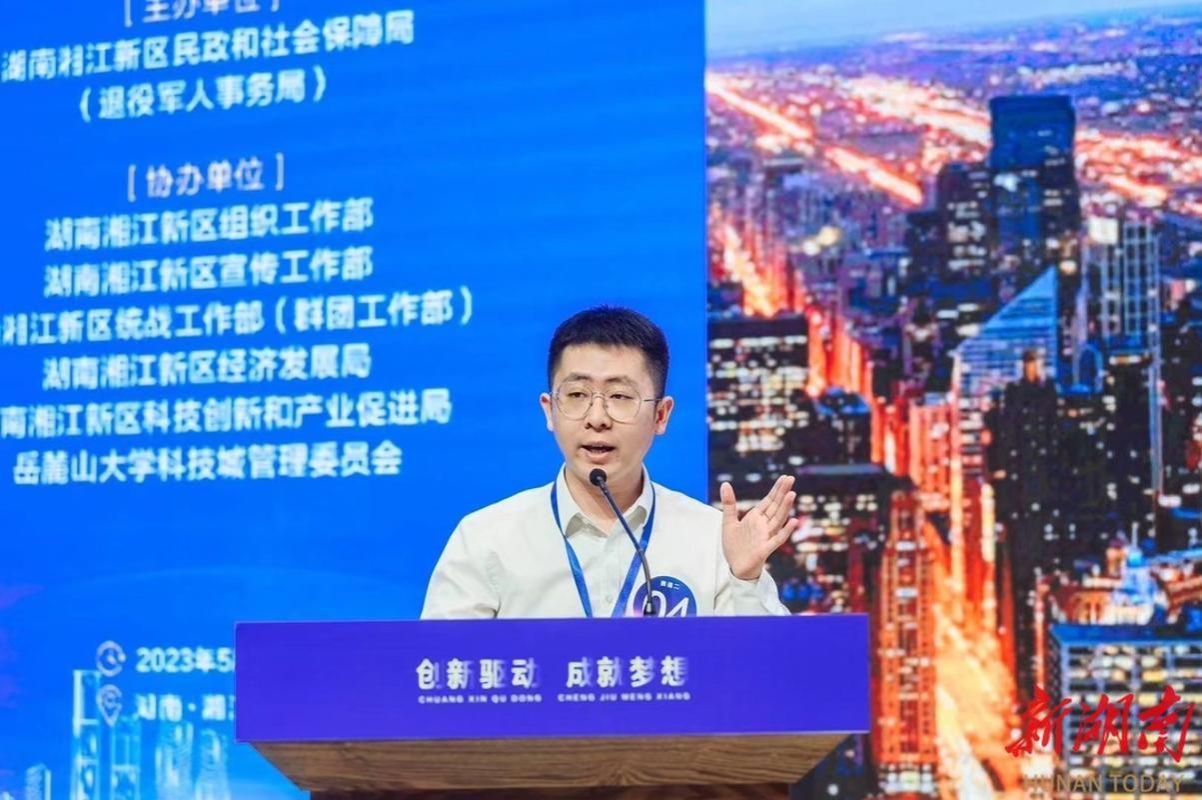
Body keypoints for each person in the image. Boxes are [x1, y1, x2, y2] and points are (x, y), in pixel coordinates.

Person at [420, 306, 796, 618]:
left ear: (661, 415)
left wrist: (745, 578)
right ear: (549, 410)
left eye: (619, 396)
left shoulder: (712, 539)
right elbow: (439, 672)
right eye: (577, 394)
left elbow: (763, 671)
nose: (597, 417)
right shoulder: (486, 538)